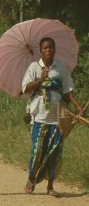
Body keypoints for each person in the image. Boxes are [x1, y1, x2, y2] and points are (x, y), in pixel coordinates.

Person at [21, 36, 82, 197]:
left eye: (51, 48)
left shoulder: (60, 69)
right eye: (45, 48)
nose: (49, 50)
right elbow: (26, 89)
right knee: (38, 150)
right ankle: (32, 178)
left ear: (55, 50)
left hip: (57, 118)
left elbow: (68, 91)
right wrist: (39, 80)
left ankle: (50, 187)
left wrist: (77, 106)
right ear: (40, 51)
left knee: (55, 152)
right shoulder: (34, 68)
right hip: (39, 117)